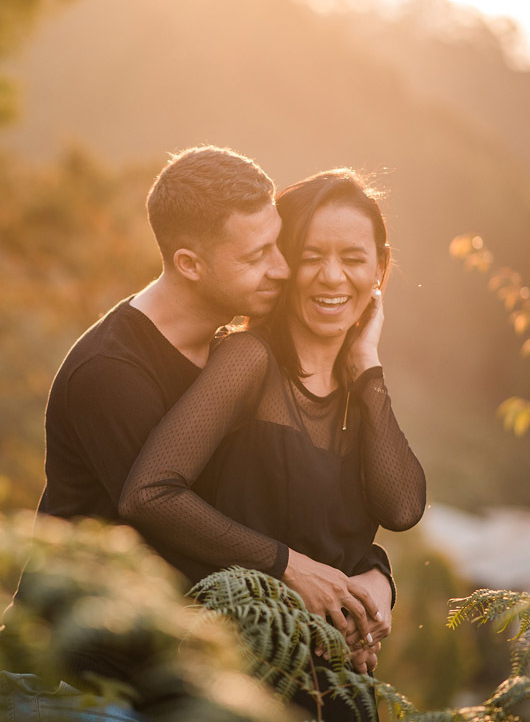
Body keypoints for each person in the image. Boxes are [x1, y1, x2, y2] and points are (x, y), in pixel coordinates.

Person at [0, 149, 395, 721]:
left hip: (165, 680)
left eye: (277, 245)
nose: (281, 270)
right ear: (190, 263)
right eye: (257, 257)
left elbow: (276, 511)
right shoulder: (111, 373)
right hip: (77, 684)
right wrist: (298, 575)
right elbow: (175, 525)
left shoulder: (236, 360)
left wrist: (370, 579)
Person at [118, 168, 427, 719]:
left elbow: (401, 509)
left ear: (380, 268)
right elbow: (149, 493)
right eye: (311, 257)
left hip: (337, 686)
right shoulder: (249, 362)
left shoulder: (360, 389)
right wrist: (287, 567)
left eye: (353, 259)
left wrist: (367, 367)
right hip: (242, 681)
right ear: (285, 265)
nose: (332, 277)